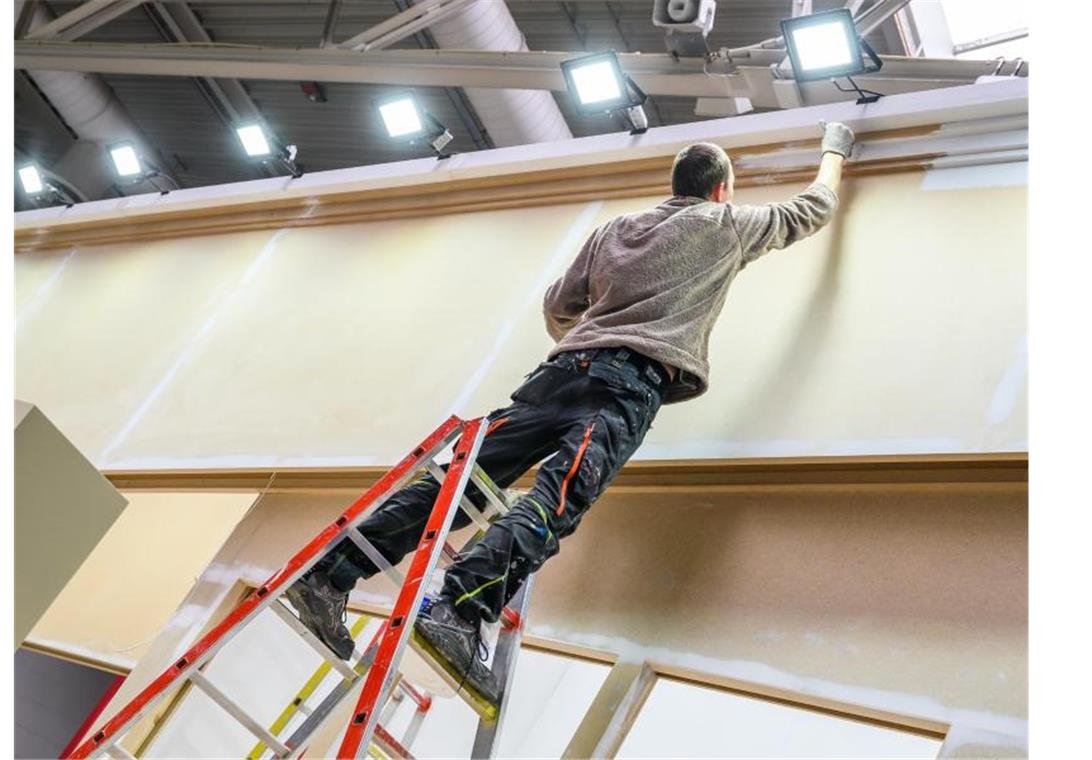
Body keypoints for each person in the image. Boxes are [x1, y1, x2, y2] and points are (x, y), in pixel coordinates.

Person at [285, 121, 856, 704]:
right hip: (625, 388)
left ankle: (329, 575)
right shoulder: (726, 225)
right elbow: (816, 206)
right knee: (556, 500)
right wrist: (835, 149)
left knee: (461, 485)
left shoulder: (617, 229)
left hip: (557, 377)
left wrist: (583, 341)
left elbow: (559, 304)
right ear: (721, 191)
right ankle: (458, 611)